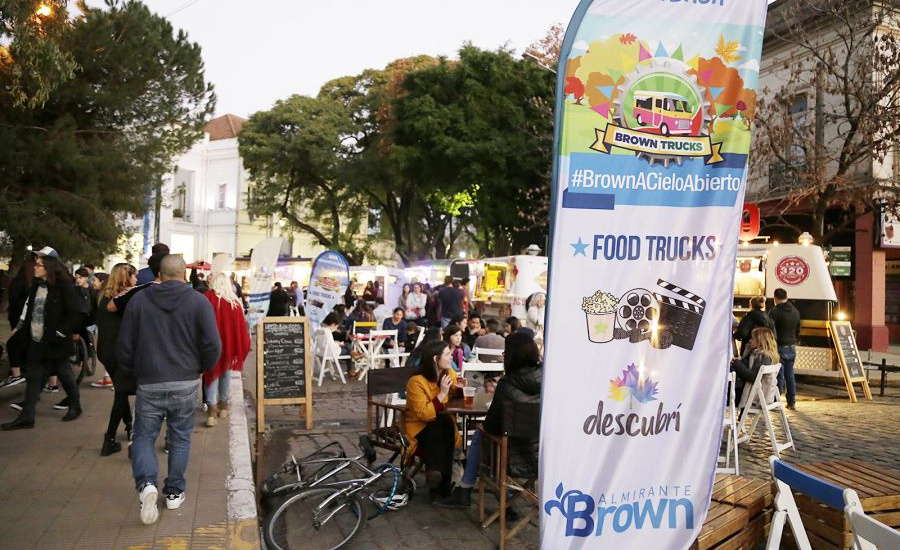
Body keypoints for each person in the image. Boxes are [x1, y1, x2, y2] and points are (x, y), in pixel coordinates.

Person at [118, 254, 221, 525]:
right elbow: (213, 344)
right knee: (180, 437)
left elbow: (125, 344)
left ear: (159, 276)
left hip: (149, 381)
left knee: (143, 437)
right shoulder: (199, 302)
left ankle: (147, 485)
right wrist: (201, 368)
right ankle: (174, 492)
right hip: (185, 381)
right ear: (184, 275)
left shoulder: (139, 300)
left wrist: (133, 370)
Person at [436, 331, 542, 509]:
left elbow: (491, 425)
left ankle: (466, 489)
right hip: (545, 455)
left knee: (480, 433)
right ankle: (508, 496)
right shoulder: (548, 380)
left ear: (511, 356)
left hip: (513, 457)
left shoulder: (507, 385)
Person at [2, 247, 83, 430]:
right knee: (33, 376)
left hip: (55, 342)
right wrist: (21, 328)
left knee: (64, 373)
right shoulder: (37, 285)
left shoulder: (64, 287)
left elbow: (74, 314)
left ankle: (75, 405)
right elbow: (29, 309)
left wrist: (60, 333)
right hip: (36, 340)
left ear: (49, 266)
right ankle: (27, 416)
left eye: (39, 265)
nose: (35, 268)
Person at [404, 340, 462, 499]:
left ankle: (443, 479)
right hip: (420, 427)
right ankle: (443, 479)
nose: (451, 357)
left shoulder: (449, 374)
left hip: (442, 426)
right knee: (442, 425)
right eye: (447, 354)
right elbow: (423, 414)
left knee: (445, 424)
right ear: (435, 359)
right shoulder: (416, 382)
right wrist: (442, 394)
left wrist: (459, 390)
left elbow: (453, 399)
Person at [96, 263, 139, 456]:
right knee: (121, 393)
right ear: (125, 278)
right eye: (134, 276)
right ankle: (109, 439)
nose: (136, 280)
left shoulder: (104, 297)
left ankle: (129, 426)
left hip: (105, 351)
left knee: (121, 390)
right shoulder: (122, 300)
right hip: (118, 352)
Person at [202, 273, 251, 427]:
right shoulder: (234, 302)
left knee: (211, 375)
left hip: (209, 346)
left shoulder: (206, 299)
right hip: (228, 346)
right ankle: (223, 406)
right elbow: (241, 328)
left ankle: (212, 411)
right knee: (225, 374)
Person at [1, 258, 35, 388]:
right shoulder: (23, 283)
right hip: (22, 318)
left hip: (23, 319)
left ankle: (18, 373)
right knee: (20, 343)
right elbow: (15, 301)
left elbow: (15, 301)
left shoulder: (26, 283)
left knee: (16, 344)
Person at [730, 327, 779, 408]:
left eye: (752, 339)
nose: (749, 340)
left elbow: (754, 377)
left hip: (753, 394)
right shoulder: (761, 354)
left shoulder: (763, 356)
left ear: (760, 341)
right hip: (755, 391)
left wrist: (737, 364)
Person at [769, 288, 801, 410]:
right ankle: (791, 402)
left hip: (779, 346)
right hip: (792, 346)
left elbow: (770, 328)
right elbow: (798, 329)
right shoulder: (795, 311)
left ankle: (777, 401)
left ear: (775, 298)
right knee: (790, 374)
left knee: (779, 375)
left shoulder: (775, 311)